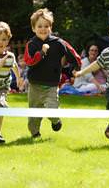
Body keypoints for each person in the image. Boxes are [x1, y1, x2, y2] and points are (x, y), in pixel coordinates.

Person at [24, 8, 81, 138]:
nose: (43, 29)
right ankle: (35, 134)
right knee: (34, 114)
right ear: (33, 28)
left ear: (51, 27)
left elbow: (74, 55)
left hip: (51, 84)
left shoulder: (58, 43)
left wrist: (75, 68)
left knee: (52, 110)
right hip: (35, 85)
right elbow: (29, 62)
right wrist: (41, 53)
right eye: (39, 26)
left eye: (46, 26)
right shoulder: (32, 44)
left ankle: (56, 120)